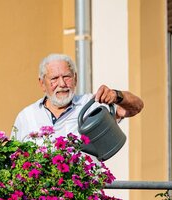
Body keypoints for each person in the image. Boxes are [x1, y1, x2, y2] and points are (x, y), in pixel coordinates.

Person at [12, 53, 144, 141]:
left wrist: (116, 95)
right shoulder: (26, 116)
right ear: (42, 83)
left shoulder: (91, 105)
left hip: (85, 183)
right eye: (54, 78)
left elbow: (136, 107)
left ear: (75, 79)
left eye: (66, 77)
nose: (62, 84)